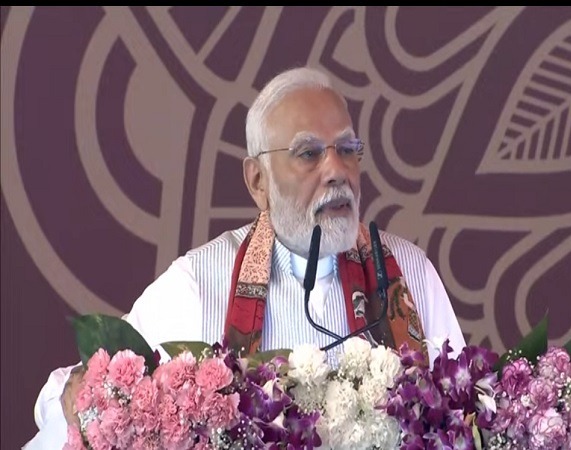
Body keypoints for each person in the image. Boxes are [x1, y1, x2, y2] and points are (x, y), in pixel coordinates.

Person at [23, 66, 466, 448]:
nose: (337, 171)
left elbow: (465, 418)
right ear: (257, 181)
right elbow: (82, 400)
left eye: (347, 150)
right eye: (309, 153)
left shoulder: (409, 275)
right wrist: (79, 398)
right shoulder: (198, 285)